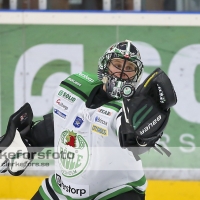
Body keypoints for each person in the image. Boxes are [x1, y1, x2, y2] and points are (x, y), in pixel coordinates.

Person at [0, 40, 177, 200]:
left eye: (129, 68)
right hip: (61, 191)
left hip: (116, 191)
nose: (122, 72)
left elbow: (130, 134)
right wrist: (29, 140)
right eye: (116, 64)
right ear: (105, 66)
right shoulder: (73, 87)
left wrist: (143, 136)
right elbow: (59, 123)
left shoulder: (126, 110)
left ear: (136, 75)